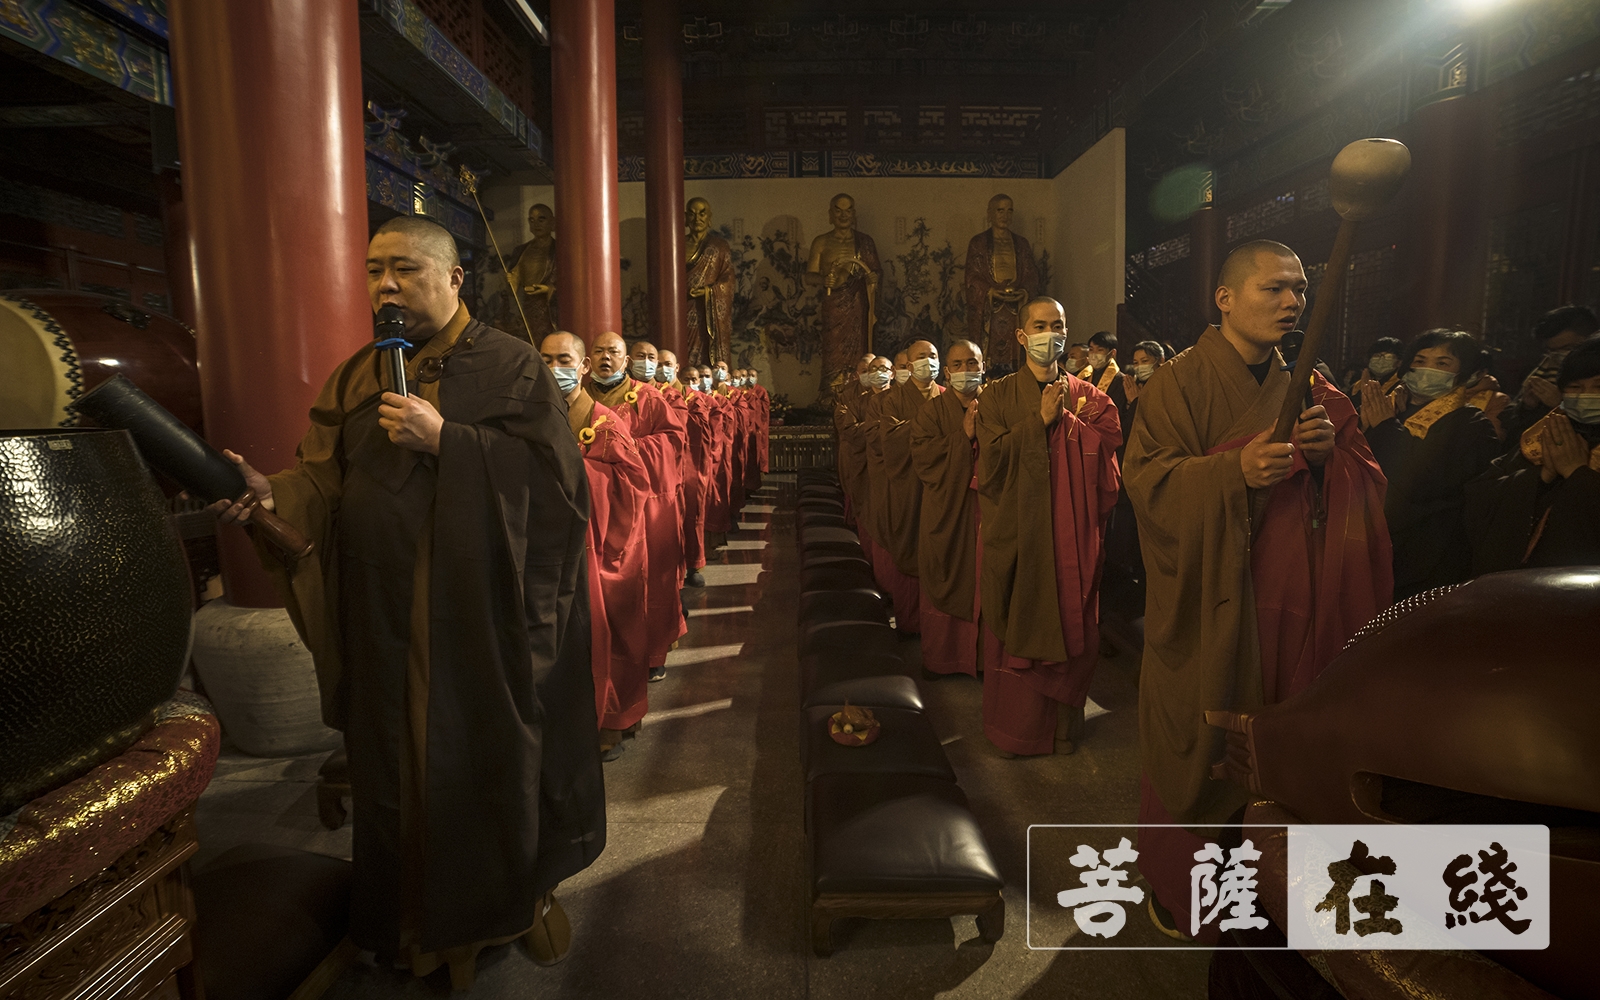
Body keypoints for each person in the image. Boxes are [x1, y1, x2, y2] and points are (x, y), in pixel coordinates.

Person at [210, 217, 601, 987]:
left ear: (456, 278)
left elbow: (561, 493)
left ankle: (505, 907)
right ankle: (407, 919)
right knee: (394, 770)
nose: (385, 286)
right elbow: (322, 476)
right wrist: (271, 494)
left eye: (407, 270)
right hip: (382, 611)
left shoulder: (513, 367)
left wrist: (451, 441)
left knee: (482, 761)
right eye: (374, 270)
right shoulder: (359, 373)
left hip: (478, 618)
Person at [1123, 239, 1391, 940]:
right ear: (1226, 298)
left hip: (1292, 610)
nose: (1291, 302)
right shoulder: (1177, 386)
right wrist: (1231, 472)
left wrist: (1331, 460)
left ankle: (1270, 898)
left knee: (1277, 751)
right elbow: (1146, 484)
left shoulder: (1312, 385)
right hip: (1210, 603)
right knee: (1203, 741)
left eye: (1300, 290)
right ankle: (1189, 895)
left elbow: (1365, 481)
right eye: (1274, 288)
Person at [976, 298, 1122, 758]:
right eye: (1038, 325)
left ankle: (1061, 731)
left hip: (1072, 540)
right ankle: (1017, 730)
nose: (1049, 333)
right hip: (1019, 533)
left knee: (1070, 616)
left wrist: (1070, 426)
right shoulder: (997, 396)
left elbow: (1110, 468)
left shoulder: (1093, 399)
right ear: (1021, 336)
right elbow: (991, 463)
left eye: (1057, 324)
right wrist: (1038, 423)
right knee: (1020, 614)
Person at [540, 332, 651, 762]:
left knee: (607, 635)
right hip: (551, 548)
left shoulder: (604, 424)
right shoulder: (535, 416)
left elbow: (634, 484)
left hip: (602, 547)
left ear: (581, 366)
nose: (554, 369)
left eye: (563, 359)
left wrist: (574, 477)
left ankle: (611, 722)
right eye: (545, 359)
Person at [1358, 329, 1502, 599]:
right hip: (1370, 541)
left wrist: (1387, 428)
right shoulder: (1390, 408)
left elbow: (1428, 480)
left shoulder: (1472, 424)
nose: (1427, 369)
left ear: (1464, 373)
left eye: (1442, 363)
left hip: (1429, 553)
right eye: (1420, 360)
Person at [588, 333, 687, 684]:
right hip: (600, 505)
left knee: (650, 581)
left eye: (612, 352)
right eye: (597, 351)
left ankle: (653, 652)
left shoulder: (647, 396)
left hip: (646, 503)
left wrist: (625, 449)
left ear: (625, 360)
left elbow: (674, 440)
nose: (605, 358)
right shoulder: (579, 398)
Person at [1466, 335, 1600, 573]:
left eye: (1598, 386)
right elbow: (1481, 495)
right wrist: (1541, 475)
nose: (1586, 395)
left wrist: (1577, 474)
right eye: (1575, 387)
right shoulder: (1544, 435)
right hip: (1525, 583)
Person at [909, 339, 984, 678]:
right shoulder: (931, 411)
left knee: (985, 581)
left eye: (973, 363)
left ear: (983, 366)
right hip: (946, 509)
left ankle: (982, 660)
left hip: (987, 512)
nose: (966, 370)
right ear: (949, 370)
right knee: (944, 571)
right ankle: (944, 660)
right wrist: (962, 437)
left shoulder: (996, 403)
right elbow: (923, 459)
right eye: (957, 364)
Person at [864, 340, 943, 638]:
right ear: (908, 367)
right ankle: (910, 622)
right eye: (921, 357)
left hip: (943, 488)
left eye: (933, 356)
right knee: (910, 549)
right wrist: (928, 430)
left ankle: (938, 625)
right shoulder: (891, 401)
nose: (928, 362)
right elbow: (890, 440)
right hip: (908, 486)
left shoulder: (947, 397)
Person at [1500, 305, 1599, 443]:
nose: (1558, 356)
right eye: (1552, 351)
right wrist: (1527, 408)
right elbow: (1513, 433)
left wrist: (1562, 405)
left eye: (1568, 348)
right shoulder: (1546, 368)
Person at [963, 193, 1040, 370]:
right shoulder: (979, 243)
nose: (1005, 216)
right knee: (989, 351)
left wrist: (1024, 292)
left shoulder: (1021, 243)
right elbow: (971, 277)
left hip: (1016, 307)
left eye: (1009, 211)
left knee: (1017, 347)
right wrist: (989, 291)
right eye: (1000, 211)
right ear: (989, 213)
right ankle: (987, 373)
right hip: (990, 308)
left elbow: (1031, 275)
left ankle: (1017, 373)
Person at [835, 354, 884, 528]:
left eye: (881, 369)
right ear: (858, 374)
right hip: (856, 453)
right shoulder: (850, 396)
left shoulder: (894, 395)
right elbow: (845, 426)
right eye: (868, 371)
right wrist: (877, 427)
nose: (876, 374)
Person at [679, 366, 715, 588]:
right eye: (688, 379)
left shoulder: (700, 400)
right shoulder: (650, 395)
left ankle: (693, 566)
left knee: (693, 513)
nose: (693, 382)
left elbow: (710, 431)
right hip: (660, 466)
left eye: (696, 378)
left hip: (691, 462)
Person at [506, 203, 557, 340]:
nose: (536, 224)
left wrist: (548, 290)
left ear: (552, 222)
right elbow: (511, 288)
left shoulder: (559, 250)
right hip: (526, 309)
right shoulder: (520, 251)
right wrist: (512, 281)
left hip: (549, 312)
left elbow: (571, 286)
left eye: (541, 219)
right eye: (531, 220)